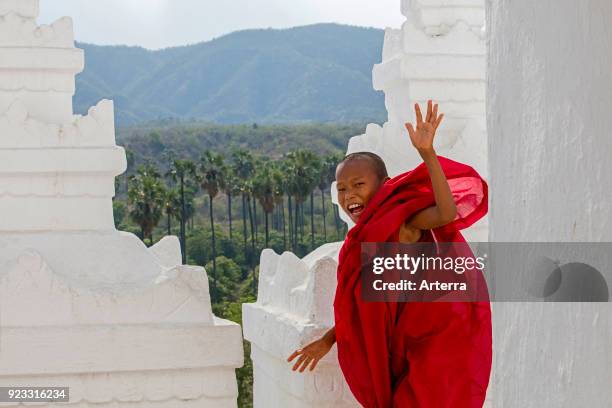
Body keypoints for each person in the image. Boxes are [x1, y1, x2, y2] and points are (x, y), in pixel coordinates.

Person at [287, 101, 492, 407]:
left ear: (382, 186)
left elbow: (446, 212)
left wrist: (428, 154)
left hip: (434, 347)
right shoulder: (359, 241)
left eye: (358, 184)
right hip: (400, 351)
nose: (349, 195)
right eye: (341, 188)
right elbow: (361, 312)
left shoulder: (403, 223)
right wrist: (328, 341)